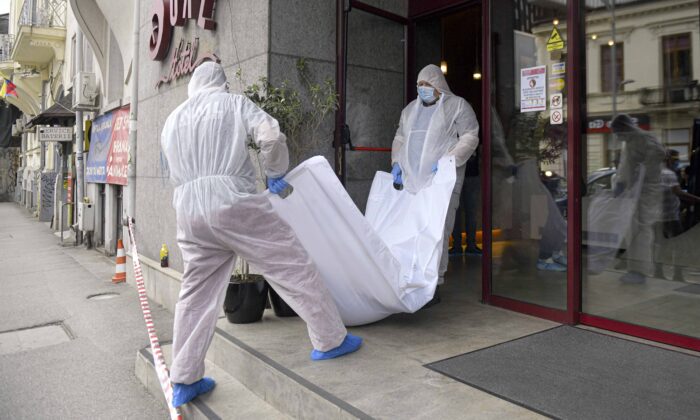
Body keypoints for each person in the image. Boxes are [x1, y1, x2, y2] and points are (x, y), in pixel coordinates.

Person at [160, 62, 361, 408]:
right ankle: (330, 339)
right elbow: (269, 135)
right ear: (221, 83)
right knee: (291, 264)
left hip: (189, 211)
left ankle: (184, 377)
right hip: (233, 202)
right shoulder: (233, 103)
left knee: (195, 293)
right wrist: (275, 171)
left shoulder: (172, 119)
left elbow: (170, 168)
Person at [390, 64, 479, 288]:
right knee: (412, 231)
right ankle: (411, 280)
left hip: (441, 182)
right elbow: (400, 138)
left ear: (438, 84)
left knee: (437, 231)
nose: (422, 88)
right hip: (411, 183)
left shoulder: (457, 105)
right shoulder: (410, 110)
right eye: (419, 84)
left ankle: (433, 284)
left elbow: (470, 135)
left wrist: (448, 162)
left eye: (427, 84)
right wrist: (396, 163)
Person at [611, 114, 665, 284]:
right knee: (632, 231)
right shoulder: (629, 142)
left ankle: (640, 271)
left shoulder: (643, 138)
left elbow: (658, 154)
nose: (617, 136)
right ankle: (634, 268)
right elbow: (625, 166)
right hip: (633, 193)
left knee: (641, 231)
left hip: (644, 193)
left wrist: (639, 176)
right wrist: (620, 183)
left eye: (618, 132)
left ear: (625, 128)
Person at [654, 149, 700, 281]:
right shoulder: (669, 174)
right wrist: (697, 199)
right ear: (667, 159)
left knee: (662, 245)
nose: (677, 162)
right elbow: (678, 192)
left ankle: (658, 272)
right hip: (670, 217)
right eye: (675, 160)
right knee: (680, 246)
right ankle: (677, 274)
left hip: (657, 217)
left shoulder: (654, 173)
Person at [450, 149, 482, 256]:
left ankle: (458, 245)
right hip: (467, 173)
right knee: (467, 212)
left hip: (460, 173)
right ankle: (468, 245)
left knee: (458, 212)